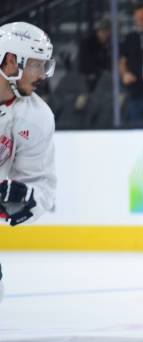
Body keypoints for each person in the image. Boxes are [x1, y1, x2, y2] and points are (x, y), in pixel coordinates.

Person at [0, 21, 57, 227]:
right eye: (35, 65)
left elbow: (40, 184)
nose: (42, 75)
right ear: (10, 61)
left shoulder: (38, 118)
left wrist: (25, 199)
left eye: (44, 66)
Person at [76, 17, 112, 110]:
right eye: (102, 31)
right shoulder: (87, 42)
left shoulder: (111, 44)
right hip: (87, 78)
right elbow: (84, 64)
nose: (105, 35)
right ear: (98, 31)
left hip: (104, 80)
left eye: (107, 32)